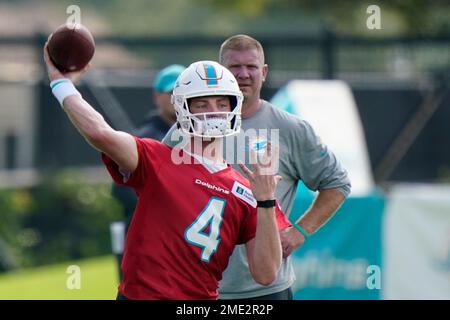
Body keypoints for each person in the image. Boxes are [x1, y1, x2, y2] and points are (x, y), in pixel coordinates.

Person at [43, 43, 291, 299]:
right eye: (202, 104)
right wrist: (61, 83)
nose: (213, 112)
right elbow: (99, 132)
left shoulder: (250, 188)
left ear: (233, 107)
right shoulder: (158, 158)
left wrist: (266, 202)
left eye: (220, 102)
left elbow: (266, 273)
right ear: (184, 109)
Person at [163, 34, 351, 300]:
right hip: (195, 286)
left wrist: (299, 231)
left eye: (251, 67)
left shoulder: (290, 129)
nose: (243, 74)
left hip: (264, 288)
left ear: (263, 73)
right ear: (221, 75)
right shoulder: (186, 129)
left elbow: (338, 184)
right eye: (234, 68)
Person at [110, 64, 185, 280]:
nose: (175, 99)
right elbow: (121, 190)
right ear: (156, 96)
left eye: (181, 93)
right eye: (171, 92)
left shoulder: (203, 139)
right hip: (146, 240)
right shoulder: (144, 138)